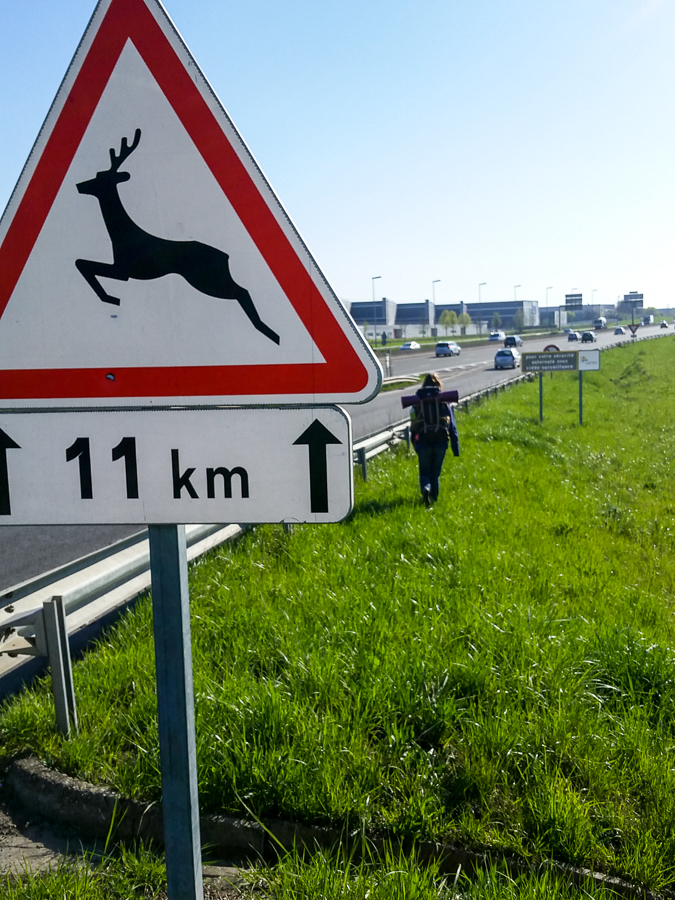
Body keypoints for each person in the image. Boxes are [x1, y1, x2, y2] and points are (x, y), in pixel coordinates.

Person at [410, 373, 459, 506]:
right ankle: (434, 500)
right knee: (435, 473)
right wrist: (456, 448)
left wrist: (414, 445)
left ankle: (426, 489)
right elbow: (452, 427)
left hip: (423, 442)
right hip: (440, 442)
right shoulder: (444, 401)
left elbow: (413, 427)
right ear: (438, 385)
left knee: (424, 472)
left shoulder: (416, 403)